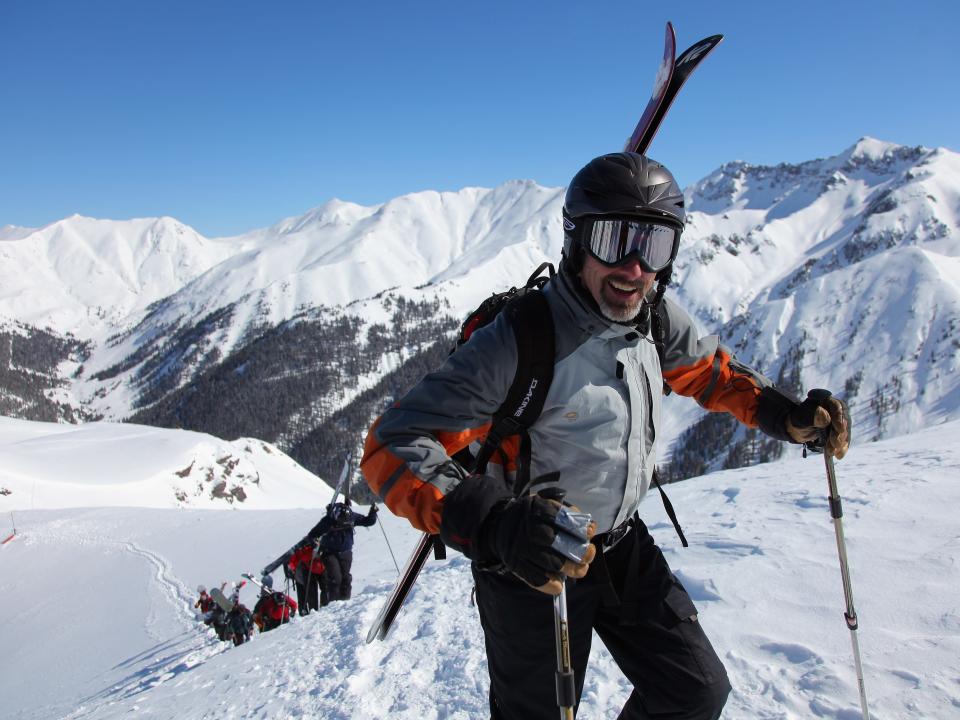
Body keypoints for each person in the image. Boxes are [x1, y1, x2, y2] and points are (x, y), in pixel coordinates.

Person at [361, 152, 850, 720]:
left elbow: (709, 372)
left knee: (693, 692)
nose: (636, 268)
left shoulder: (655, 318)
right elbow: (393, 443)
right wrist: (496, 523)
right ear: (577, 242)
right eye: (617, 240)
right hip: (531, 564)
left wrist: (781, 414)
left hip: (621, 545)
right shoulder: (521, 341)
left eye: (657, 245)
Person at [263, 502, 377, 609]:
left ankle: (345, 602)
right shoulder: (327, 521)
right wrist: (313, 541)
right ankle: (334, 605)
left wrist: (373, 513)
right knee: (335, 578)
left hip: (346, 553)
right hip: (329, 553)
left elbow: (368, 521)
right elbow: (313, 534)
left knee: (346, 578)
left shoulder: (352, 516)